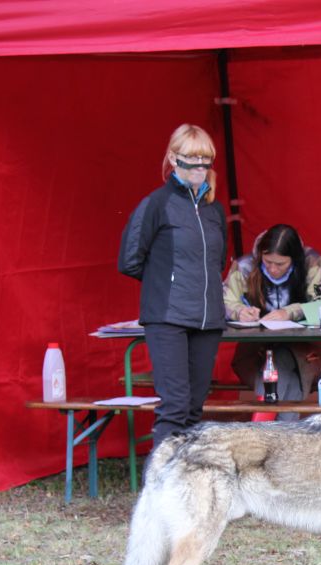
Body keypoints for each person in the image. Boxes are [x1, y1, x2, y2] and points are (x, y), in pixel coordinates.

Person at [119, 124, 227, 448]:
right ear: (173, 158)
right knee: (175, 406)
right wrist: (170, 284)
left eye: (205, 159)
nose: (199, 166)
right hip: (168, 317)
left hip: (207, 320)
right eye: (191, 158)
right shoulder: (157, 204)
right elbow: (130, 260)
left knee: (194, 407)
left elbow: (216, 263)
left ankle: (185, 485)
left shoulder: (214, 209)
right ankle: (160, 486)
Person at [222, 223, 321, 420]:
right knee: (285, 373)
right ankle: (283, 441)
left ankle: (261, 433)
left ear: (294, 259)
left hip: (307, 351)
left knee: (279, 361)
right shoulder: (245, 266)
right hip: (254, 351)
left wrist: (289, 312)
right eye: (267, 262)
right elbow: (223, 300)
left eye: (281, 264)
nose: (273, 269)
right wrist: (239, 311)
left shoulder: (312, 263)